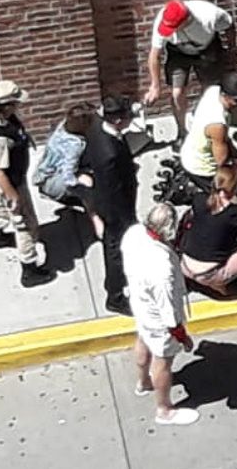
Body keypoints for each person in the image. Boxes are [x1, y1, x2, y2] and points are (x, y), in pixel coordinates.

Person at [123, 203, 200, 426]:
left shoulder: (134, 234)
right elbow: (169, 314)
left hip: (140, 304)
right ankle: (164, 409)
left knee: (142, 340)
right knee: (163, 362)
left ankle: (143, 382)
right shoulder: (161, 268)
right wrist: (183, 337)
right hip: (159, 321)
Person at [0, 80, 55, 288]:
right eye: (15, 103)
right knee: (26, 225)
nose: (18, 107)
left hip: (7, 180)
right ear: (6, 106)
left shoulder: (1, 120)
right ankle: (29, 268)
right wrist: (14, 197)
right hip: (11, 182)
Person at [143, 0, 237, 143]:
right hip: (178, 52)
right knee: (177, 93)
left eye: (174, 27)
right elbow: (154, 55)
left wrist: (231, 49)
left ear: (186, 21)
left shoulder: (210, 15)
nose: (171, 31)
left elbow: (229, 26)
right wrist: (155, 86)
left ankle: (204, 127)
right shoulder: (163, 20)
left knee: (210, 92)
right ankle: (182, 132)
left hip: (207, 49)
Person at [83, 94, 140, 315]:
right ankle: (115, 296)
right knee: (115, 249)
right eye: (127, 117)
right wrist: (127, 219)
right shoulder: (109, 154)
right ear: (117, 120)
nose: (129, 120)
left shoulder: (97, 126)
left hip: (111, 201)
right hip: (116, 210)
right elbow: (113, 193)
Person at [33, 103, 104, 238]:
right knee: (87, 183)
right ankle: (96, 219)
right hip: (54, 182)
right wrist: (84, 190)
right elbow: (68, 176)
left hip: (44, 173)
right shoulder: (74, 146)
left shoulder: (64, 126)